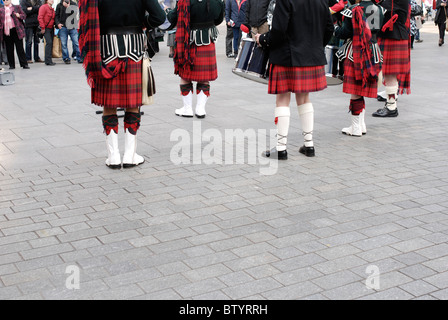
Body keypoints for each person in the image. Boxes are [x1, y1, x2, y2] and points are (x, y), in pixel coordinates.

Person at [79, 0, 166, 169]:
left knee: (108, 104)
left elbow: (87, 22)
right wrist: (143, 23)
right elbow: (160, 16)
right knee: (132, 103)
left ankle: (113, 157)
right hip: (134, 50)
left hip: (105, 51)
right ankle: (129, 155)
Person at [255, 0, 333, 159]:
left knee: (282, 99)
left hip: (287, 56)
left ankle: (281, 148)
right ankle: (309, 145)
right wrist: (315, 46)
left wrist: (262, 39)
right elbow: (329, 28)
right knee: (304, 98)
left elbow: (278, 31)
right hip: (312, 56)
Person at [167, 0, 225, 119]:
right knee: (204, 78)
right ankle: (200, 109)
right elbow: (218, 19)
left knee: (185, 76)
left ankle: (188, 109)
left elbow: (172, 18)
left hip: (188, 42)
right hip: (207, 40)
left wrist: (167, 12)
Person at [334, 0, 384, 137]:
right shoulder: (379, 8)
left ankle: (355, 128)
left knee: (356, 91)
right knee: (361, 90)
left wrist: (335, 29)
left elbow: (345, 32)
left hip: (357, 51)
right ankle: (361, 125)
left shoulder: (354, 9)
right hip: (374, 51)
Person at [371, 0, 411, 118]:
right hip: (394, 35)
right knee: (390, 74)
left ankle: (391, 106)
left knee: (390, 74)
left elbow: (384, 9)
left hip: (394, 37)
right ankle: (390, 103)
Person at [0, 0, 30, 70]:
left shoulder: (16, 7)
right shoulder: (1, 10)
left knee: (20, 48)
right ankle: (11, 65)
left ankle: (24, 64)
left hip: (16, 30)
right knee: (9, 49)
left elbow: (24, 16)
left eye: (7, 0)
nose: (5, 1)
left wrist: (19, 15)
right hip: (6, 31)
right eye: (4, 0)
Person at [55, 0, 80, 64]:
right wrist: (58, 24)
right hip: (63, 27)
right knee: (64, 44)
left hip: (72, 26)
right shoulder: (59, 5)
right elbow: (56, 16)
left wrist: (68, 7)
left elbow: (75, 13)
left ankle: (79, 57)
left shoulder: (73, 3)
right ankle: (66, 58)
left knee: (76, 43)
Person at [38, 0, 55, 66]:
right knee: (49, 42)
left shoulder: (52, 8)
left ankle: (49, 60)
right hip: (46, 28)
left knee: (51, 43)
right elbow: (40, 17)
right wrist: (42, 27)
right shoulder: (43, 7)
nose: (52, 1)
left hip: (51, 28)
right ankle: (48, 60)